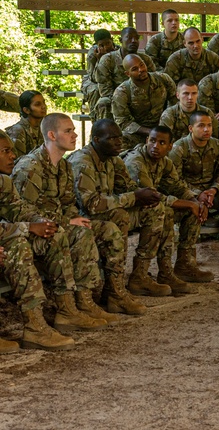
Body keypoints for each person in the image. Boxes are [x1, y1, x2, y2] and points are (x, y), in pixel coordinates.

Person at [12, 113, 140, 320]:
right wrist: (67, 221)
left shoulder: (63, 166)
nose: (74, 136)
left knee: (108, 230)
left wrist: (73, 218)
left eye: (73, 130)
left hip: (58, 225)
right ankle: (69, 308)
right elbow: (24, 213)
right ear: (52, 135)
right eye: (68, 131)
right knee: (80, 235)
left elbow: (68, 203)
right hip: (34, 233)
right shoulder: (30, 167)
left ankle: (99, 297)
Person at [68, 119, 167, 299]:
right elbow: (90, 204)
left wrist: (145, 197)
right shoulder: (82, 162)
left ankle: (139, 277)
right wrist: (134, 197)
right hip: (82, 218)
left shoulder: (113, 159)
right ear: (96, 140)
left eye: (120, 138)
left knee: (154, 209)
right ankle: (115, 288)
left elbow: (127, 187)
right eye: (112, 138)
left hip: (106, 212)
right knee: (119, 214)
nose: (119, 142)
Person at [0, 131, 78, 350]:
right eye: (5, 151)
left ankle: (65, 311)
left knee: (54, 234)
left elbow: (18, 209)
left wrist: (39, 221)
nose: (12, 156)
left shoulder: (3, 183)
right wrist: (27, 228)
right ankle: (34, 326)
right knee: (18, 246)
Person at [123, 126, 209, 293]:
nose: (156, 146)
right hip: (127, 208)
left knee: (191, 211)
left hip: (148, 207)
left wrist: (194, 201)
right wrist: (190, 204)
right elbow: (152, 196)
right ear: (147, 141)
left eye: (162, 143)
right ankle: (140, 276)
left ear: (170, 146)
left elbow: (177, 186)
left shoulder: (165, 162)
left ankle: (182, 266)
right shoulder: (136, 162)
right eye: (153, 141)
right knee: (165, 211)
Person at [168, 111, 219, 265]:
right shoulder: (179, 148)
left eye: (209, 126)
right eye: (201, 126)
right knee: (193, 209)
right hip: (187, 192)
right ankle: (188, 256)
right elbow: (175, 180)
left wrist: (213, 190)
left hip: (211, 191)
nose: (206, 130)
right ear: (191, 128)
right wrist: (197, 195)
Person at [111, 54, 176, 149]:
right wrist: (150, 132)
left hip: (165, 127)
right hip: (139, 132)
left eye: (142, 65)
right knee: (121, 141)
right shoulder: (122, 92)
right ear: (128, 74)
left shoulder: (163, 79)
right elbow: (123, 122)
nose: (141, 70)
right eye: (135, 69)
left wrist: (165, 126)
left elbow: (175, 102)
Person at [93, 28, 156, 121]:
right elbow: (105, 90)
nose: (134, 41)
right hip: (116, 98)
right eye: (129, 38)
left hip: (142, 98)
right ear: (120, 40)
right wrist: (123, 100)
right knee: (104, 102)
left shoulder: (145, 60)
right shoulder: (108, 60)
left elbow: (154, 82)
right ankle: (106, 132)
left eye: (136, 38)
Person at [159, 79, 219, 143]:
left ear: (198, 94)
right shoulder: (169, 115)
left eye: (194, 93)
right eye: (186, 93)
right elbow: (164, 141)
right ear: (178, 95)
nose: (190, 97)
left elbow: (214, 138)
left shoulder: (207, 113)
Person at [81, 29, 114, 115]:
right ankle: (95, 117)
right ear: (96, 45)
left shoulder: (118, 50)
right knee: (95, 90)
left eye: (108, 43)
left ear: (112, 41)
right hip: (92, 80)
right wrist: (100, 60)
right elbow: (93, 78)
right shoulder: (93, 54)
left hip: (112, 77)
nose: (105, 47)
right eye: (101, 45)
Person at [8, 90, 45, 159]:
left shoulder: (44, 127)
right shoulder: (18, 131)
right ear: (26, 110)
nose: (43, 106)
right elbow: (16, 162)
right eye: (37, 104)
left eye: (43, 102)